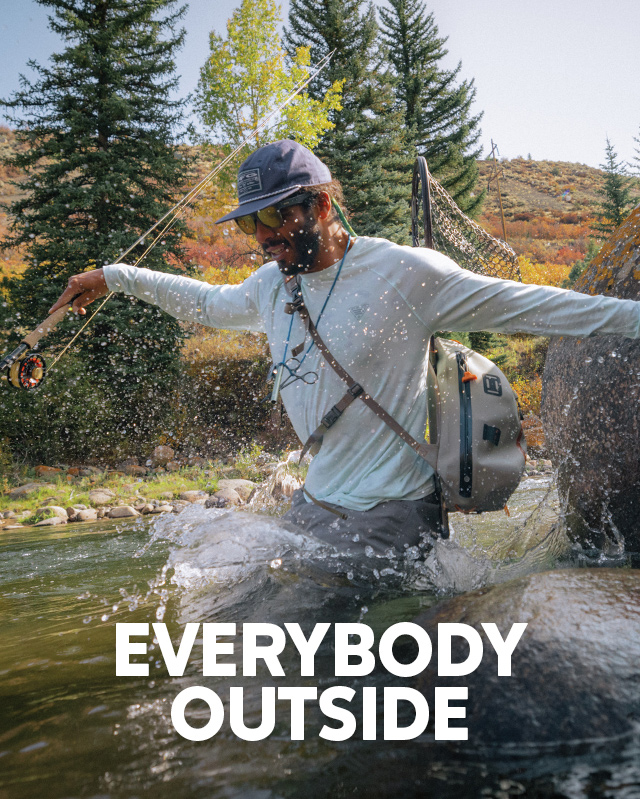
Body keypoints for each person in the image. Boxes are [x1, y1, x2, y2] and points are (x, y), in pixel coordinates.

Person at [50, 139, 640, 559]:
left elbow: (534, 305)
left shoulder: (405, 275)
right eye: (251, 224)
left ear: (322, 206)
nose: (264, 237)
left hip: (393, 512)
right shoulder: (270, 285)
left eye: (279, 215)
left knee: (300, 644)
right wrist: (113, 277)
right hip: (314, 503)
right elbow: (206, 305)